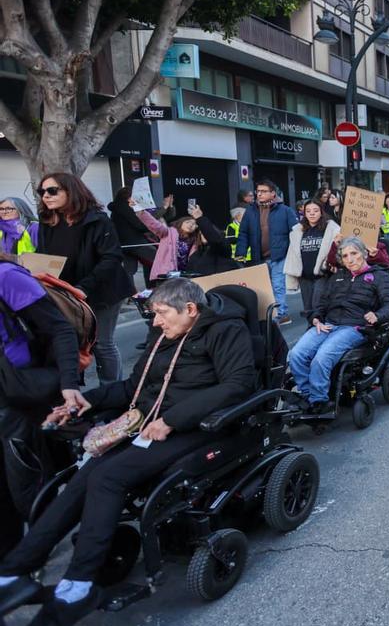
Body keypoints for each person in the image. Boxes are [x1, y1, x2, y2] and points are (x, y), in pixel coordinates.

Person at [0, 277, 256, 626]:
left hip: (198, 425)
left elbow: (237, 384)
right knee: (85, 475)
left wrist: (173, 420)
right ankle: (17, 567)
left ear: (190, 310)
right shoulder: (164, 339)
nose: (155, 322)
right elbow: (133, 389)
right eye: (153, 315)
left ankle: (80, 582)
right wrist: (85, 400)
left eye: (161, 314)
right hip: (150, 421)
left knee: (107, 476)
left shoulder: (226, 331)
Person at [0, 256, 80, 558]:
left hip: (14, 392)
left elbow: (59, 329)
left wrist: (69, 383)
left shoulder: (6, 276)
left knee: (24, 476)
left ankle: (39, 545)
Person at [35, 172, 134, 385]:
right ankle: (72, 395)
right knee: (71, 342)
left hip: (103, 291)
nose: (46, 196)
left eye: (52, 190)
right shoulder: (47, 221)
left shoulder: (97, 220)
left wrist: (84, 288)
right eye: (42, 191)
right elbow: (44, 257)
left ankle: (111, 391)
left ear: (71, 191)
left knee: (101, 344)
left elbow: (111, 257)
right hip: (66, 294)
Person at [286, 237, 389, 414]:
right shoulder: (338, 277)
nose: (350, 259)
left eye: (354, 253)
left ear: (364, 254)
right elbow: (321, 304)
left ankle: (319, 401)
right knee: (296, 355)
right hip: (328, 324)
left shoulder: (379, 276)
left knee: (321, 358)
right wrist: (316, 319)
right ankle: (307, 395)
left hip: (354, 327)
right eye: (345, 256)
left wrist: (377, 315)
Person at [235, 179, 298, 325]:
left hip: (279, 255)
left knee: (277, 285)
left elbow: (295, 233)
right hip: (258, 256)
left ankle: (282, 313)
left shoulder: (285, 211)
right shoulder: (250, 211)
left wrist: (293, 253)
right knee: (263, 286)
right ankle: (267, 313)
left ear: (273, 193)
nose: (259, 194)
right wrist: (240, 252)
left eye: (264, 191)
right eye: (258, 191)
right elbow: (243, 233)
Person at [138, 200, 237, 279]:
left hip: (185, 277)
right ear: (181, 222)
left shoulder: (196, 243)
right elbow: (154, 225)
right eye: (189, 222)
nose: (191, 225)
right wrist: (140, 211)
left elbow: (214, 238)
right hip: (167, 275)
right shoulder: (169, 233)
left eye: (195, 225)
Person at [284, 200, 340, 320]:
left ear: (321, 212)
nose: (312, 214)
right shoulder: (298, 230)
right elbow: (292, 255)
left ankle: (318, 331)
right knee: (308, 309)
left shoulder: (330, 228)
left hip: (322, 275)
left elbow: (337, 249)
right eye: (308, 211)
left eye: (315, 211)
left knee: (318, 307)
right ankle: (311, 330)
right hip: (304, 276)